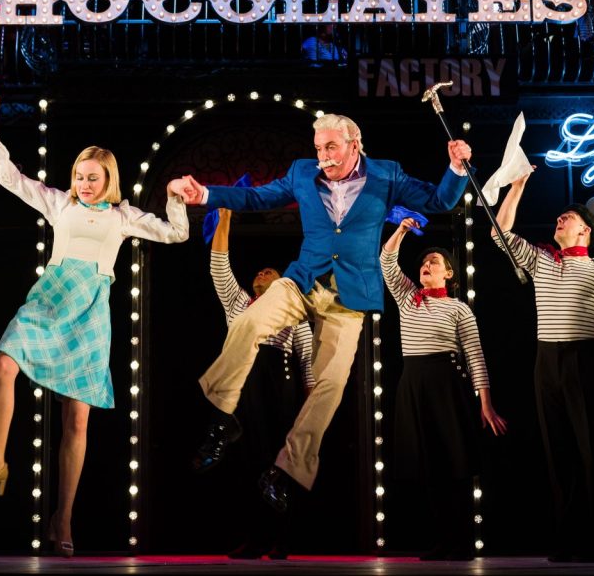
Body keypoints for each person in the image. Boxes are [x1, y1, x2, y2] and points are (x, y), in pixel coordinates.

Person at [172, 113, 473, 512]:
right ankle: (225, 418)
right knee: (248, 322)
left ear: (354, 144)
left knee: (330, 385)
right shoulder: (302, 173)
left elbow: (440, 201)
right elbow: (257, 198)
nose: (323, 156)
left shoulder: (386, 175)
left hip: (349, 296)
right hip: (303, 279)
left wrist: (455, 167)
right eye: (318, 148)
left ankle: (286, 469)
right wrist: (206, 195)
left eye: (331, 147)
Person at [0, 93, 189, 557]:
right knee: (4, 361)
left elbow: (176, 233)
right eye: (79, 176)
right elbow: (13, 180)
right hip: (50, 301)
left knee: (77, 420)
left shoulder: (124, 216)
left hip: (90, 312)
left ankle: (63, 515)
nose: (84, 184)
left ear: (109, 180)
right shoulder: (59, 205)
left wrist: (173, 199)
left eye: (93, 178)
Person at [493, 168, 594, 563]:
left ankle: (593, 538)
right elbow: (499, 233)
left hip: (583, 359)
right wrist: (519, 186)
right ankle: (567, 537)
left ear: (586, 231)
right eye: (560, 215)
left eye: (570, 217)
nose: (560, 218)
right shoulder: (542, 260)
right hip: (546, 361)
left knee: (589, 450)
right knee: (557, 451)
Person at [380, 218, 507, 561]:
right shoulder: (408, 298)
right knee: (427, 466)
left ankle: (462, 540)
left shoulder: (458, 308)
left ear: (448, 274)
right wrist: (403, 230)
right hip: (413, 382)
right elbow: (386, 261)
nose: (426, 265)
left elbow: (476, 357)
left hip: (446, 383)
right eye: (423, 263)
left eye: (434, 262)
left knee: (454, 462)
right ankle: (442, 539)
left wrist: (487, 404)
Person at [208, 207, 315, 559]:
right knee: (249, 461)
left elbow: (307, 361)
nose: (262, 271)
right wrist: (224, 217)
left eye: (272, 271)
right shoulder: (239, 305)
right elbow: (220, 266)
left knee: (281, 461)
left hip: (279, 382)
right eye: (260, 270)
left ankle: (283, 538)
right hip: (244, 382)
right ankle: (255, 538)